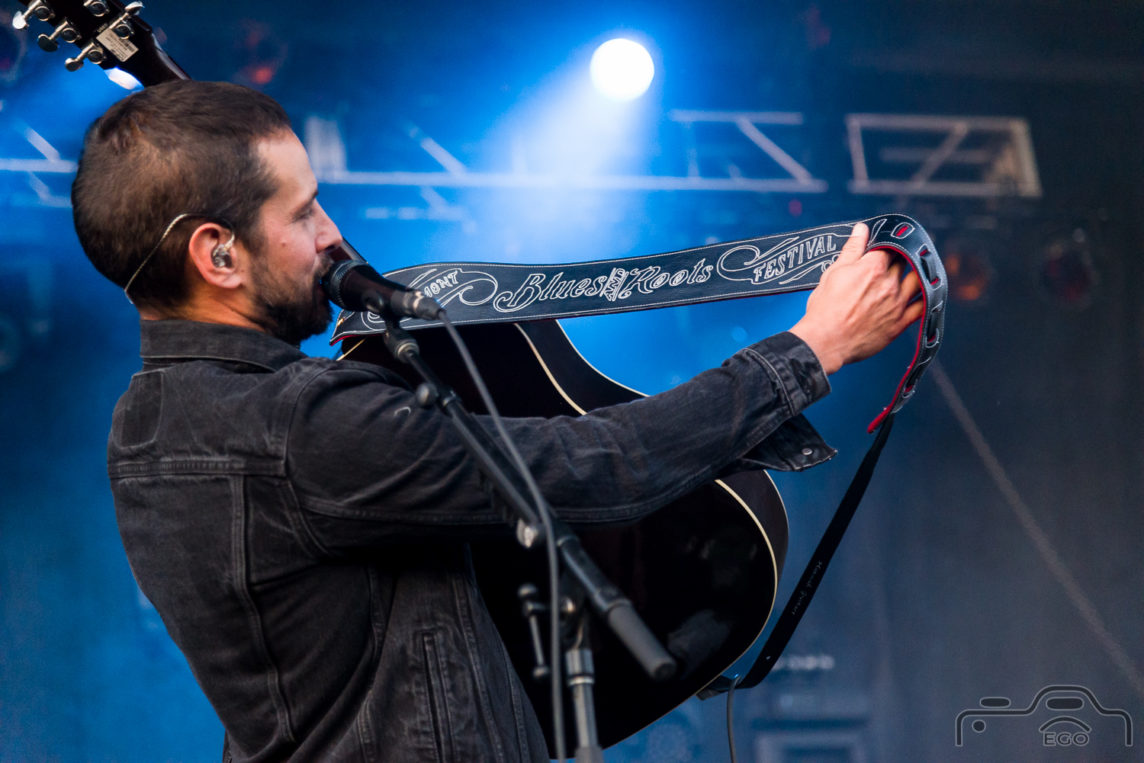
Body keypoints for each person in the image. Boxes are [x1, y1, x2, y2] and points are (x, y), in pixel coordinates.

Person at [72, 80, 922, 762]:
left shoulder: (145, 429)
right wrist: (814, 347)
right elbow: (595, 463)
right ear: (217, 255)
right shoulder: (301, 427)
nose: (332, 236)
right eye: (301, 214)